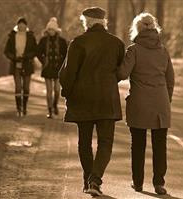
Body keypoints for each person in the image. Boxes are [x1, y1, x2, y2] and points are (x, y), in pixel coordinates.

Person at [59, 7, 125, 196]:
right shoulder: (117, 44)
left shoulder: (78, 43)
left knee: (84, 142)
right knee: (106, 142)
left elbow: (67, 74)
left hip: (83, 99)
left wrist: (67, 93)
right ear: (103, 22)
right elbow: (120, 72)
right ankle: (94, 180)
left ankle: (88, 178)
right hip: (107, 100)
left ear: (86, 22)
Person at [117, 13, 175, 195]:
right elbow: (170, 79)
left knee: (138, 143)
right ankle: (159, 183)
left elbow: (122, 74)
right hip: (160, 102)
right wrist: (167, 99)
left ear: (137, 29)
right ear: (154, 28)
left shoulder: (134, 50)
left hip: (140, 102)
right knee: (160, 144)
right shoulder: (163, 50)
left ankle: (138, 182)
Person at [4, 17, 37, 117]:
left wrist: (27, 56)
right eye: (20, 24)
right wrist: (14, 57)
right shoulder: (12, 37)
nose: (21, 26)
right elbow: (6, 51)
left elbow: (35, 50)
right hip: (16, 65)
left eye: (23, 24)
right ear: (17, 26)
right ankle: (18, 108)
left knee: (26, 88)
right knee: (18, 87)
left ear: (26, 26)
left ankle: (25, 108)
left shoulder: (31, 37)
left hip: (27, 64)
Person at [37, 17, 68, 118]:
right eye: (49, 29)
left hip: (58, 68)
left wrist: (63, 64)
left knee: (57, 90)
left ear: (56, 30)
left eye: (52, 29)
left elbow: (66, 54)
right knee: (49, 91)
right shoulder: (43, 40)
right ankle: (49, 110)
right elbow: (38, 52)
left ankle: (55, 105)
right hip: (47, 68)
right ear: (47, 30)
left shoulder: (62, 41)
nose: (51, 31)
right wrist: (43, 61)